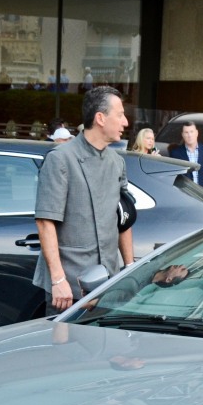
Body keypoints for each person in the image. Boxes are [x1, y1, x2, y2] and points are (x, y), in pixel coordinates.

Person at [33, 86, 134, 313]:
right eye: (120, 115)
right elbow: (45, 221)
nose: (125, 122)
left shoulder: (117, 162)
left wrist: (129, 268)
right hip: (69, 286)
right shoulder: (61, 159)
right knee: (66, 347)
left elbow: (123, 219)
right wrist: (58, 281)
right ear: (100, 118)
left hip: (109, 282)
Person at [167, 121, 203, 193]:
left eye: (191, 132)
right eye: (186, 132)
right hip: (184, 197)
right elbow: (172, 177)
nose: (189, 135)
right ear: (182, 135)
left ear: (197, 133)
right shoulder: (175, 153)